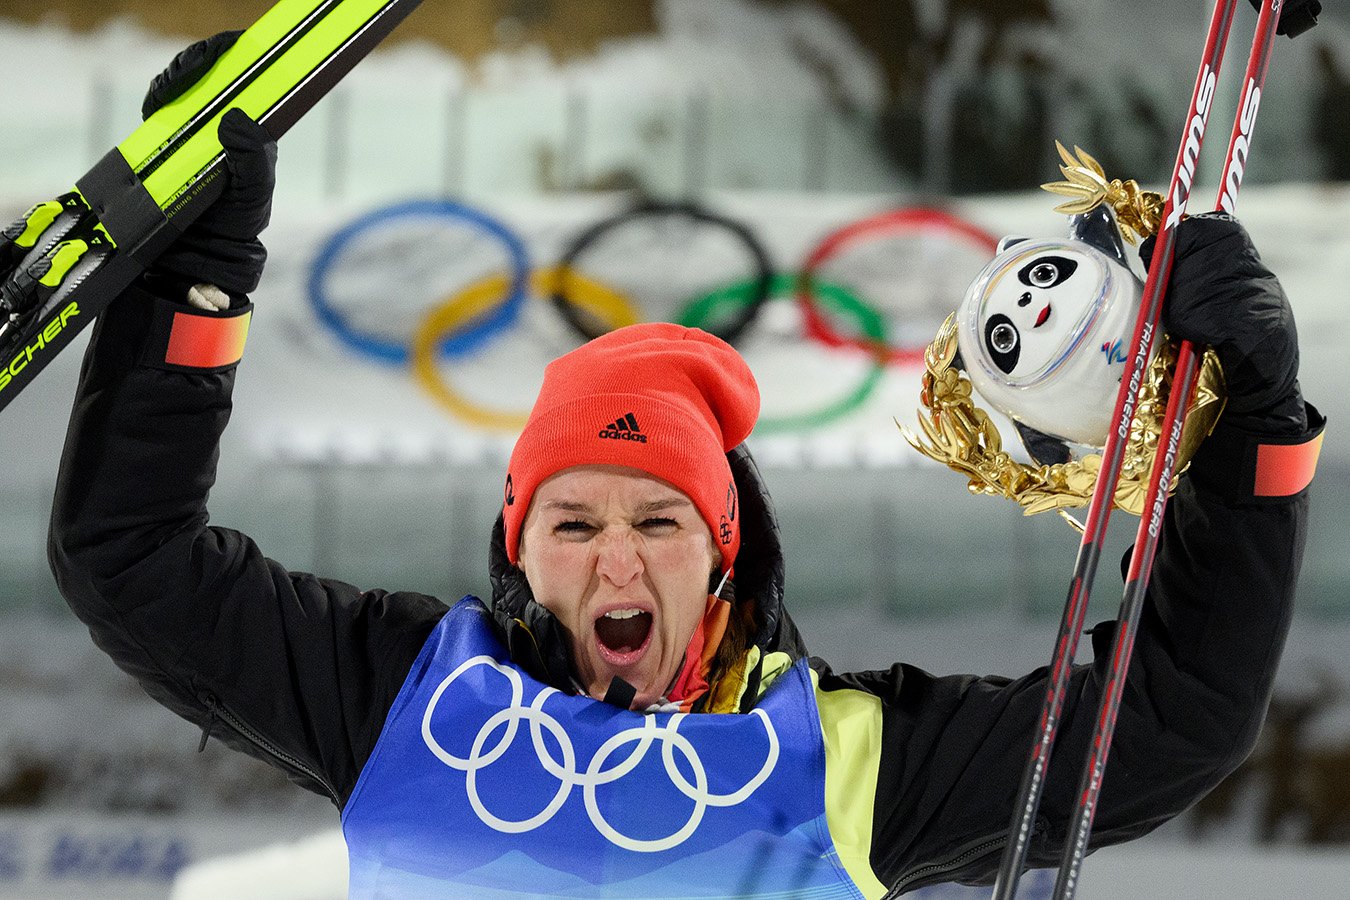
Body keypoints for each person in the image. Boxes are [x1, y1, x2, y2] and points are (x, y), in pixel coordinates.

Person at [47, 36, 1324, 899]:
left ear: (723, 551)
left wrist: (1252, 440)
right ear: (518, 547)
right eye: (573, 521)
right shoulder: (405, 699)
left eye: (659, 520)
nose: (615, 558)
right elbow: (134, 562)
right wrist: (194, 279)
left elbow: (1169, 726)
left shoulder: (841, 759)